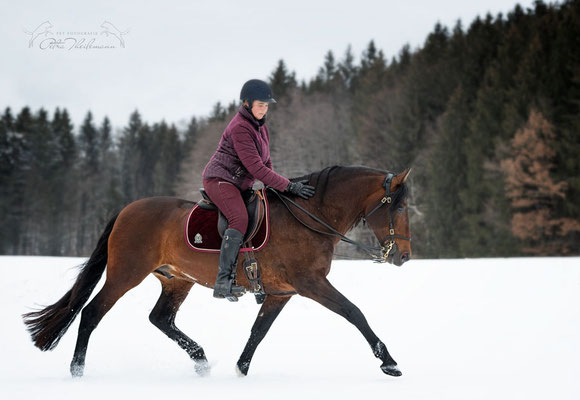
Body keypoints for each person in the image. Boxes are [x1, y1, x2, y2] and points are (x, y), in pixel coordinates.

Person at [202, 79, 316, 301]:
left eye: (267, 105)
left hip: (240, 183)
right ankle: (224, 281)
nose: (264, 109)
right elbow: (255, 167)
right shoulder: (239, 128)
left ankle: (256, 278)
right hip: (220, 179)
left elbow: (266, 163)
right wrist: (288, 185)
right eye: (260, 105)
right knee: (239, 219)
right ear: (246, 104)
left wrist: (278, 188)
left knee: (266, 213)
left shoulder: (260, 126)